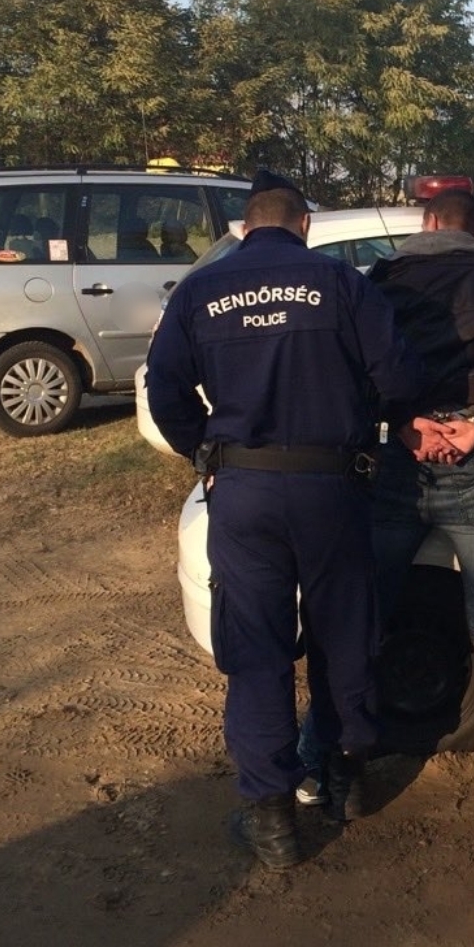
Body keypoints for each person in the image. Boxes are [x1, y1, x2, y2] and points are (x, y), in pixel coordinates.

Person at [145, 168, 424, 870]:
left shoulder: (201, 290)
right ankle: (345, 778)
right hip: (333, 488)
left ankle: (272, 818)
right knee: (344, 634)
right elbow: (400, 377)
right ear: (305, 224)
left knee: (257, 647)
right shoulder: (342, 283)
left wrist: (204, 450)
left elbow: (164, 387)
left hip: (244, 490)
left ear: (245, 227)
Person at [300, 187, 474, 822]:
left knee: (362, 616)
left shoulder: (379, 284)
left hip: (401, 465)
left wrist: (406, 424)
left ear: (428, 222)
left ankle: (316, 760)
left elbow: (353, 373)